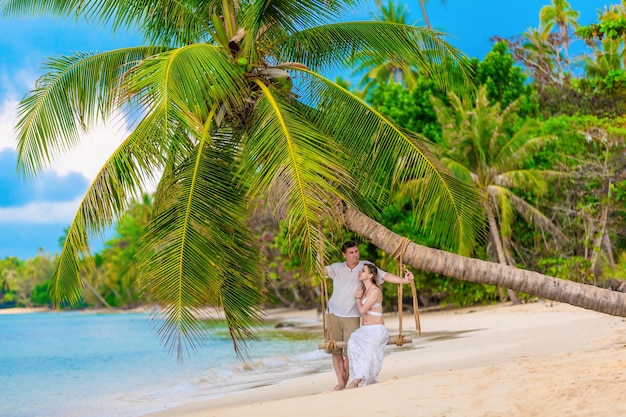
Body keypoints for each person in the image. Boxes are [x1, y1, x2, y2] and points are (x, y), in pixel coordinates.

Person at [324, 240, 412, 391]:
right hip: (333, 312)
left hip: (352, 315)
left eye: (356, 251)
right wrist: (318, 250)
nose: (355, 255)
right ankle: (341, 382)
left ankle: (347, 381)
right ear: (344, 255)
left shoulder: (365, 267)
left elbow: (384, 276)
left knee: (349, 352)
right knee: (335, 351)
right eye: (351, 253)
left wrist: (404, 281)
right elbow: (320, 271)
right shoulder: (337, 268)